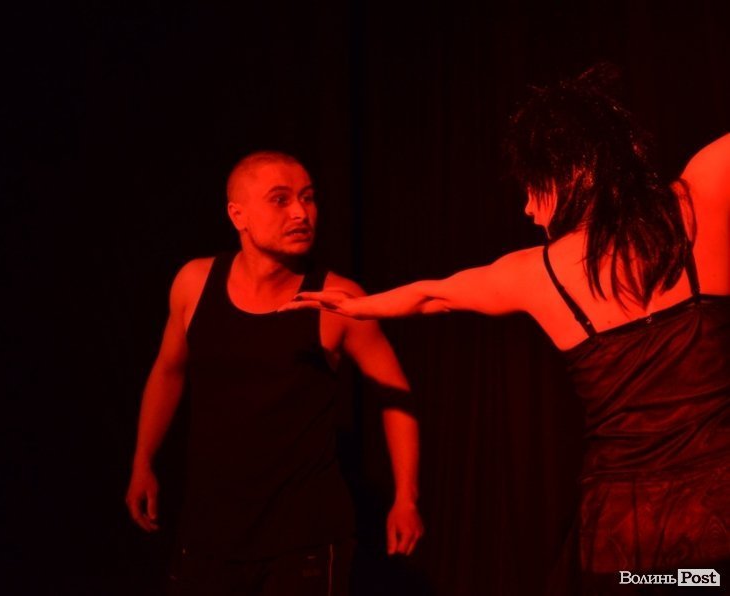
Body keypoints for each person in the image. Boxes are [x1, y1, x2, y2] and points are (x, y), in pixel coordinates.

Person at [281, 66, 730, 594]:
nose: (527, 209)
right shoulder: (697, 202)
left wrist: (359, 306)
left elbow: (433, 295)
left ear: (564, 175)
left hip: (626, 527)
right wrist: (359, 305)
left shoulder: (539, 272)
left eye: (531, 189)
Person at [126, 151, 424, 595]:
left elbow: (395, 392)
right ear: (238, 215)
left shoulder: (337, 300)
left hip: (303, 541)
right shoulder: (194, 283)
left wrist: (405, 498)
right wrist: (143, 460)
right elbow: (169, 371)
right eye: (281, 200)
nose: (301, 213)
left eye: (308, 197)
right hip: (208, 533)